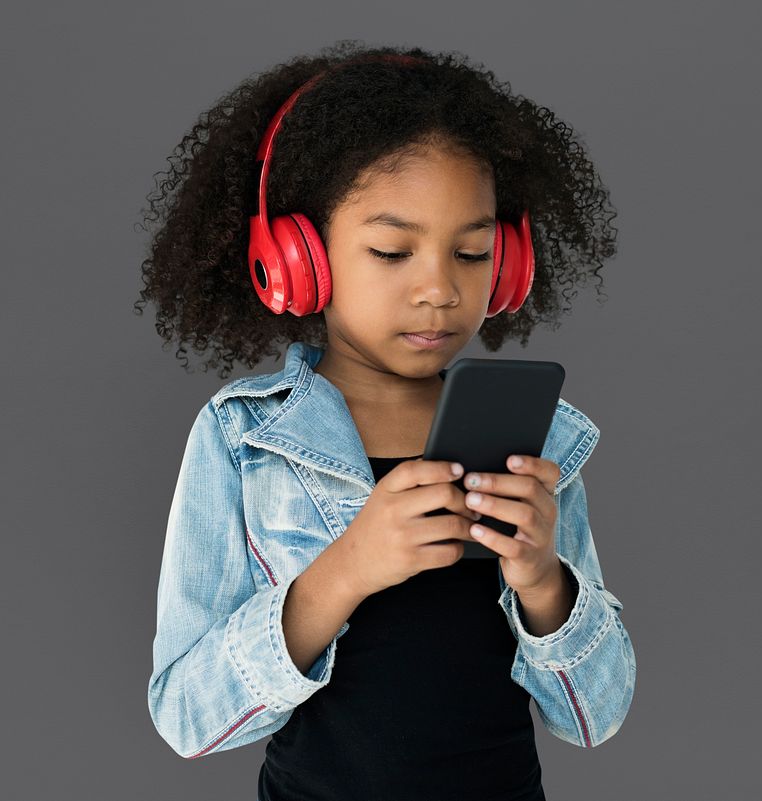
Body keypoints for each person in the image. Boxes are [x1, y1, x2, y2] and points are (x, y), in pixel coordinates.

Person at [138, 40, 636, 801]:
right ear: (296, 257)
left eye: (471, 253)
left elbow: (595, 716)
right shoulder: (244, 439)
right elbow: (186, 714)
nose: (438, 288)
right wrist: (348, 569)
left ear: (507, 264)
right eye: (392, 250)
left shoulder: (537, 441)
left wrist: (543, 582)